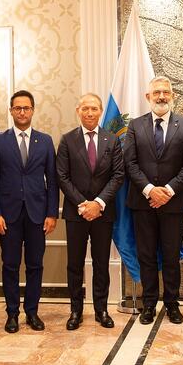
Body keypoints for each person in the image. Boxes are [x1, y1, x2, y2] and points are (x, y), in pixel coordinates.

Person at [123, 76, 183, 325]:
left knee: (170, 255)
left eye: (166, 92)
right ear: (148, 97)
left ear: (172, 95)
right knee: (146, 255)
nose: (161, 96)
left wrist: (166, 190)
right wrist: (149, 190)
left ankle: (172, 304)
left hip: (173, 203)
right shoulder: (135, 126)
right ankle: (149, 304)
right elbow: (130, 163)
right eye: (157, 92)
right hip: (142, 202)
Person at [0, 90, 59, 333]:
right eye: (18, 108)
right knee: (10, 265)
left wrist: (52, 214)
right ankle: (12, 313)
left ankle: (32, 312)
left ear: (33, 110)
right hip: (8, 215)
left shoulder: (45, 141)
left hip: (38, 214)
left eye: (26, 108)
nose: (22, 112)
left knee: (35, 265)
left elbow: (53, 180)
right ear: (11, 111)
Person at [56, 93, 124, 330]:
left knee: (101, 263)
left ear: (100, 111)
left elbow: (118, 175)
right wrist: (83, 204)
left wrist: (99, 203)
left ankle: (101, 310)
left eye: (94, 108)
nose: (89, 113)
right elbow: (62, 176)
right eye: (85, 108)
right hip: (76, 213)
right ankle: (75, 310)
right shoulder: (67, 140)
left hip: (103, 213)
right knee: (74, 264)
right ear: (78, 111)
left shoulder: (112, 140)